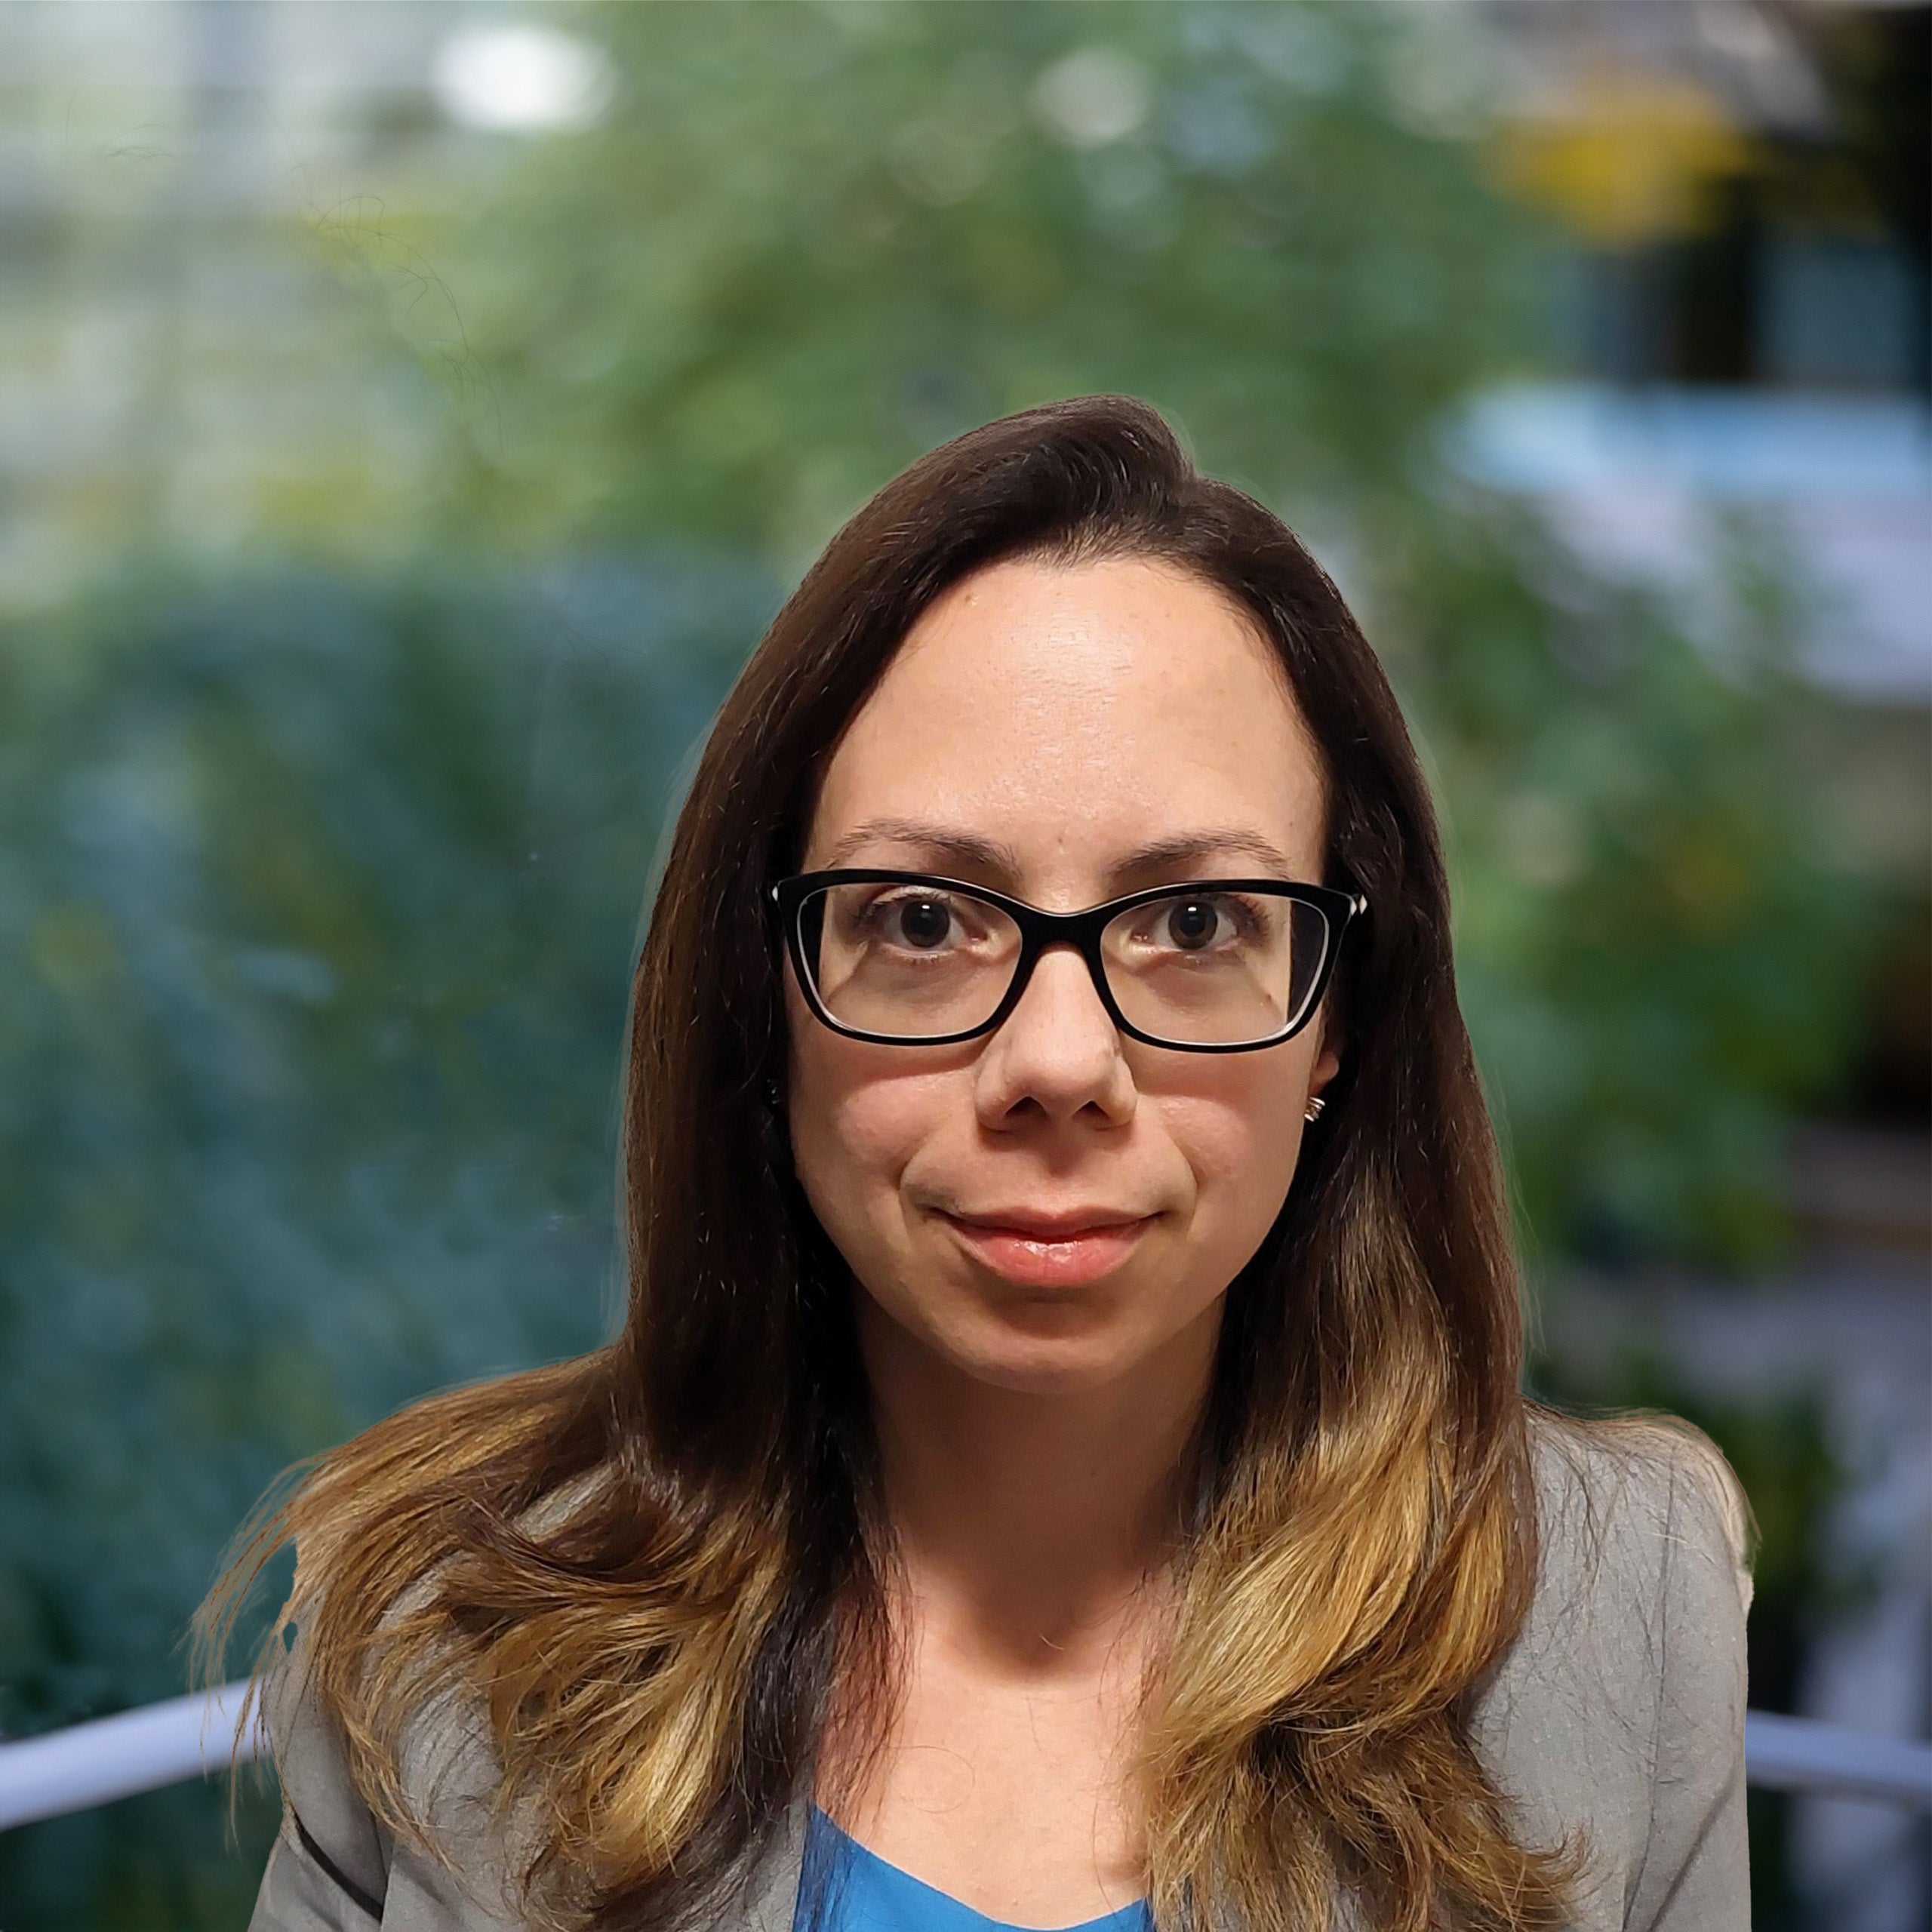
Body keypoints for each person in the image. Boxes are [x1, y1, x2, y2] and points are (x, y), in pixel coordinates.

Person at [199, 395, 1752, 1932]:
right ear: (768, 993)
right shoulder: (440, 1622)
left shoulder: (1613, 1609)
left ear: (1338, 1012)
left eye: (1195, 922)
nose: (1058, 1064)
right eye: (922, 921)